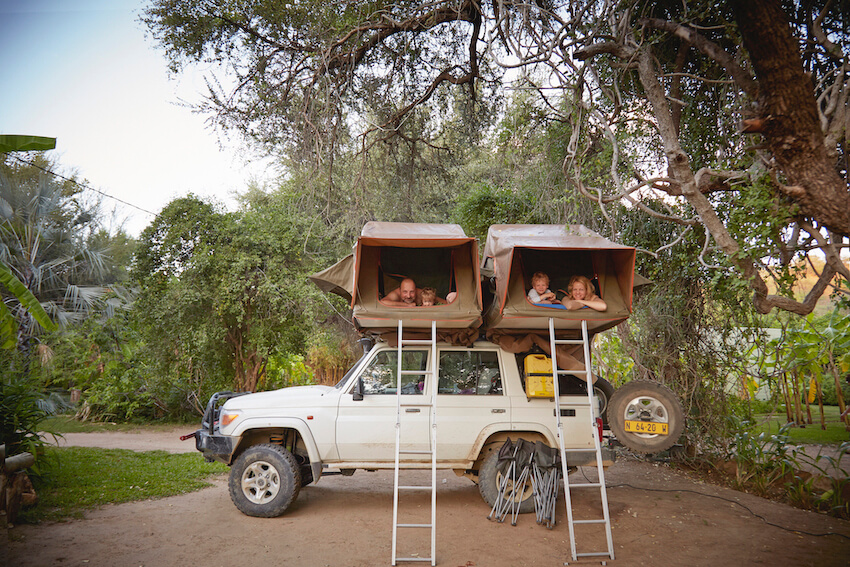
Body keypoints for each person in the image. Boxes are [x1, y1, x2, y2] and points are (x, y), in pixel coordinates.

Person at [381, 277, 453, 307]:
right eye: (405, 292)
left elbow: (442, 302)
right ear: (400, 290)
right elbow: (383, 302)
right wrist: (407, 305)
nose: (408, 296)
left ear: (416, 290)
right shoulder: (396, 294)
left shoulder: (421, 293)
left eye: (412, 292)